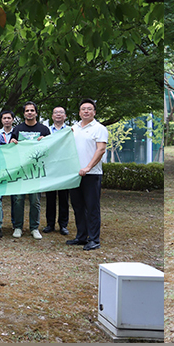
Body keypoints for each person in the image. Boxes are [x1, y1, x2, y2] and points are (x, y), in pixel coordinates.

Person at [66, 99, 107, 251]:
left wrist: (88, 167)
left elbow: (101, 149)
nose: (86, 111)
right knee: (77, 206)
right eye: (83, 109)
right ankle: (81, 237)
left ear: (94, 112)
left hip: (92, 174)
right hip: (75, 174)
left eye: (89, 109)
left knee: (92, 208)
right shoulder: (73, 128)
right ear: (79, 112)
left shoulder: (99, 128)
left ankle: (94, 239)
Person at [10, 101, 51, 239]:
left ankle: (34, 228)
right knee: (18, 199)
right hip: (20, 170)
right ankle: (18, 227)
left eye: (32, 110)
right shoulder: (17, 129)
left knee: (35, 201)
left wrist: (45, 140)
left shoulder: (44, 129)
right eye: (27, 111)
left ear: (36, 113)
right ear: (24, 113)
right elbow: (10, 148)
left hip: (36, 171)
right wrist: (12, 143)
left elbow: (51, 149)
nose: (29, 113)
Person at [45, 106, 72, 235]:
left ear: (65, 116)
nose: (58, 115)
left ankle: (63, 225)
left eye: (61, 112)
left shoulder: (70, 131)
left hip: (64, 168)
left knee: (63, 198)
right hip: (50, 168)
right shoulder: (47, 131)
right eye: (56, 112)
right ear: (52, 116)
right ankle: (50, 224)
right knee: (50, 198)